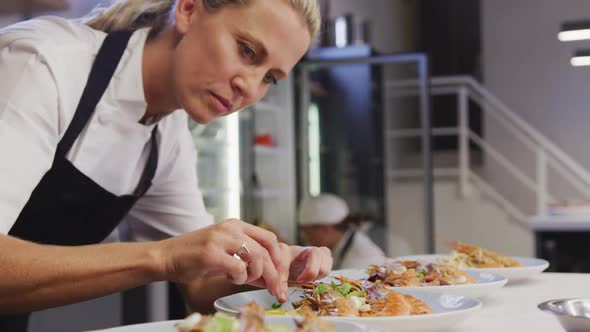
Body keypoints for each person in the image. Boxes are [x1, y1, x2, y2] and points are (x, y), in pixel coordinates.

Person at [0, 0, 332, 330]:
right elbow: (176, 256)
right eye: (246, 51)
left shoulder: (167, 139)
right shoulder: (44, 62)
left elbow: (201, 286)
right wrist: (165, 257)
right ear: (188, 10)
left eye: (270, 78)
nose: (249, 86)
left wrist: (274, 270)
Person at [298, 193, 386, 270]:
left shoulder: (362, 258)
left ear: (325, 229)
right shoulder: (336, 246)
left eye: (306, 232)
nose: (304, 236)